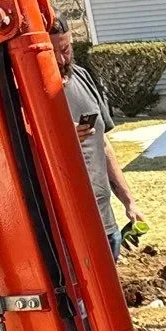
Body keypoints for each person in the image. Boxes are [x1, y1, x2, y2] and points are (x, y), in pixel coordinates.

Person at [49, 16, 137, 259]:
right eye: (51, 52)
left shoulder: (82, 77)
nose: (60, 59)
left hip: (106, 219)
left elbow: (104, 145)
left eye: (65, 49)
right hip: (70, 226)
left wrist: (128, 201)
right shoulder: (32, 92)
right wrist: (62, 137)